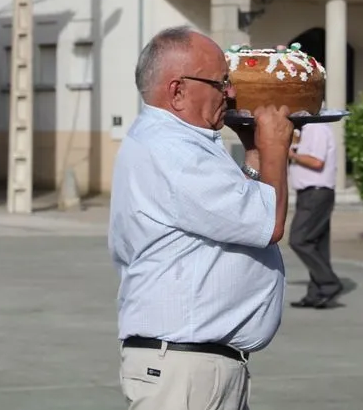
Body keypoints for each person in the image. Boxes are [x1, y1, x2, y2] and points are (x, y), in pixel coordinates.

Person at [108, 26, 295, 410]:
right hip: (184, 368)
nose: (231, 92)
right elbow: (268, 223)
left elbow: (236, 211)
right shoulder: (173, 152)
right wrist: (276, 147)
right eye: (220, 82)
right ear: (177, 91)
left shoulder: (177, 142)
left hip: (196, 365)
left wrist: (254, 154)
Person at [287, 122, 343, 309]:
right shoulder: (307, 130)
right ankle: (317, 293)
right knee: (317, 245)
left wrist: (292, 155)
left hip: (315, 192)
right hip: (311, 193)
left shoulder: (315, 127)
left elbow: (317, 161)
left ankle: (329, 283)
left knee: (299, 240)